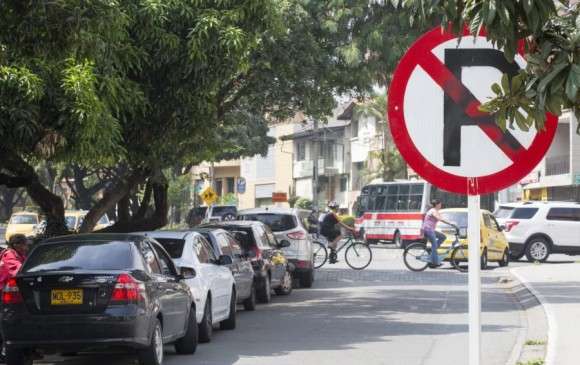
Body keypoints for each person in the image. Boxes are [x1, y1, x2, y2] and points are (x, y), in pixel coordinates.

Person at [0, 234, 30, 363]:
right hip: (4, 294)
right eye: (24, 244)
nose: (26, 247)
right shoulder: (10, 256)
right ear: (16, 245)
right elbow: (19, 271)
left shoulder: (18, 255)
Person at [422, 199, 456, 268]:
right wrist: (450, 223)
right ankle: (435, 262)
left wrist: (451, 222)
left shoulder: (435, 211)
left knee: (443, 237)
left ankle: (432, 252)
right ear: (437, 205)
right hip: (428, 230)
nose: (441, 205)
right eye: (440, 204)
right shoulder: (433, 210)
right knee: (434, 245)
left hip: (430, 230)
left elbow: (441, 218)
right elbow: (439, 218)